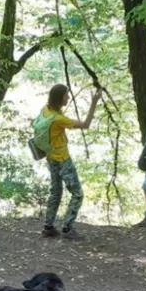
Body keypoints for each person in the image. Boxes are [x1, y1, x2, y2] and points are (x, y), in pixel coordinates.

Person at [38, 84, 101, 240]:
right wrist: (94, 102)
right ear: (60, 98)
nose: (68, 97)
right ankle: (67, 228)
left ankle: (48, 226)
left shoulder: (46, 110)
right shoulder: (59, 119)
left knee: (56, 192)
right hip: (62, 159)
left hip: (50, 157)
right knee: (78, 194)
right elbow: (85, 125)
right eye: (66, 95)